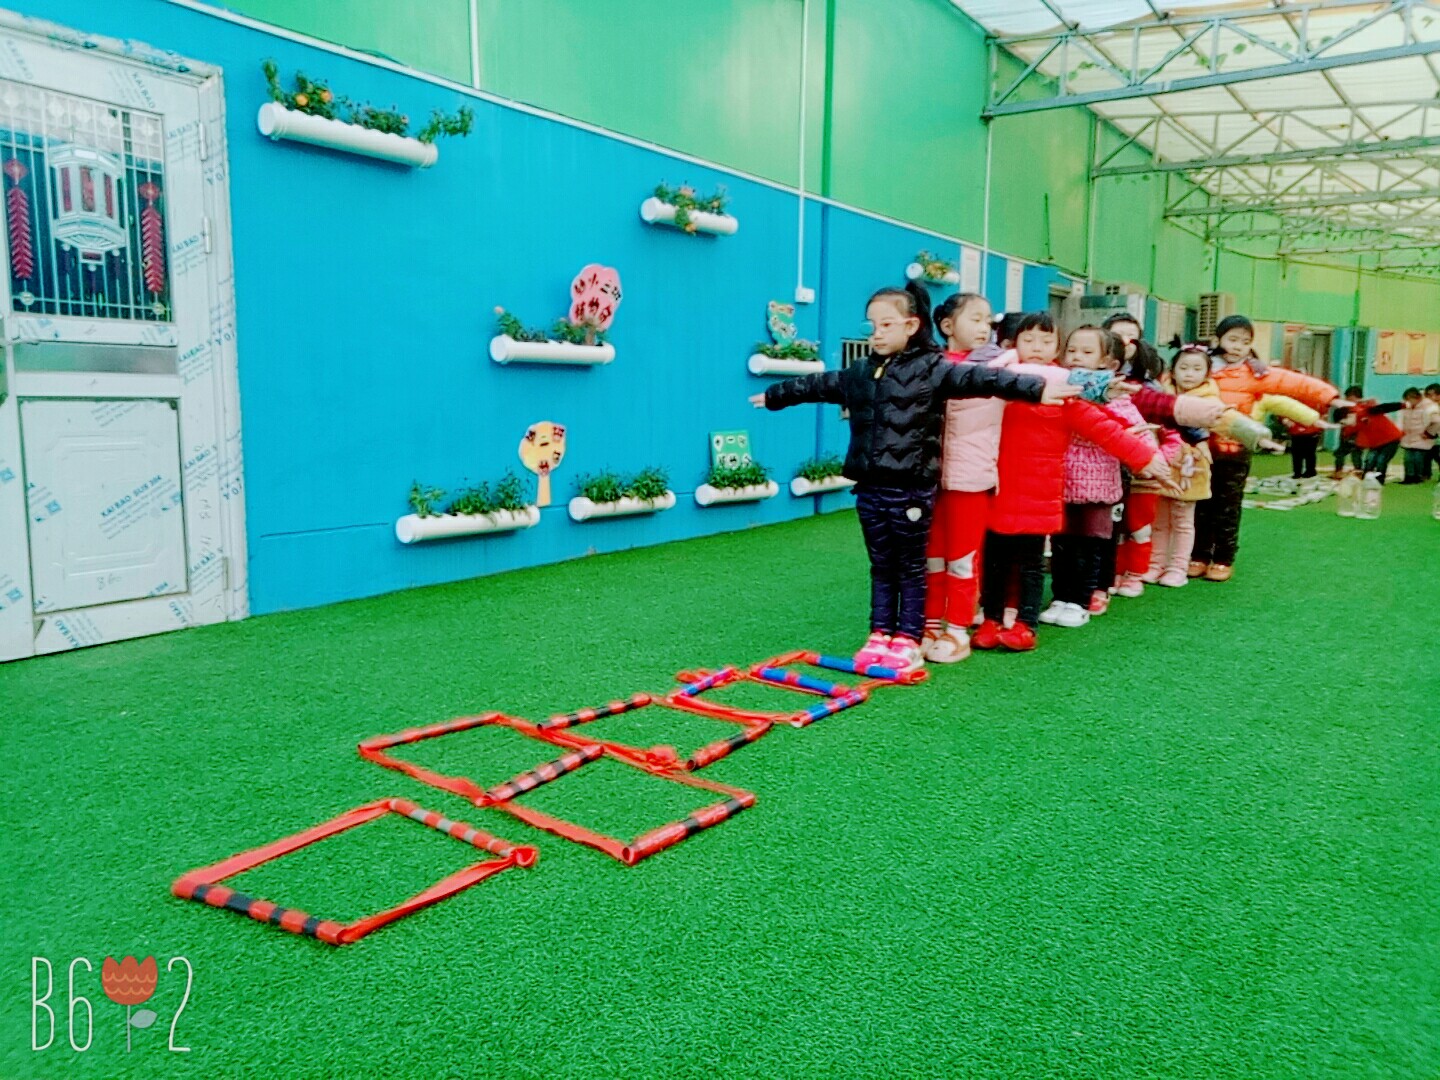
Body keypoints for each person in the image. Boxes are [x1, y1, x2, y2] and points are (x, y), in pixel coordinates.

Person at [750, 281, 1070, 673]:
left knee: (912, 567)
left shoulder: (933, 369)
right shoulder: (862, 372)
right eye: (872, 326)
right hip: (870, 488)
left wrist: (1037, 390)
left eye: (886, 325)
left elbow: (984, 380)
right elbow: (819, 384)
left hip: (912, 488)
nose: (877, 333)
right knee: (882, 566)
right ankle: (879, 633)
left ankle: (908, 637)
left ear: (911, 325)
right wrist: (776, 395)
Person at [973, 323, 1170, 649]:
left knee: (1032, 564)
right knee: (995, 559)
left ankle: (1026, 624)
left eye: (1046, 340)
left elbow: (1104, 429)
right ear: (1013, 345)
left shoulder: (1065, 395)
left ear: (1056, 350)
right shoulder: (1000, 387)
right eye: (1028, 339)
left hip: (1040, 492)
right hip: (998, 488)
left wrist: (1145, 458)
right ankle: (991, 619)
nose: (1037, 346)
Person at [1192, 315, 1339, 581]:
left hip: (1235, 449)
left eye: (1245, 342)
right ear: (1217, 339)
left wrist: (1328, 398)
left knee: (1228, 506)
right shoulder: (1202, 368)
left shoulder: (1254, 374)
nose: (1238, 346)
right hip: (1200, 447)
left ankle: (1223, 558)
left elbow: (1291, 385)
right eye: (1232, 339)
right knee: (1200, 503)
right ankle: (1199, 555)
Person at [1044, 326, 1174, 626]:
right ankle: (1060, 597)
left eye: (1086, 352)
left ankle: (1081, 599)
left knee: (1090, 545)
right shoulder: (1061, 390)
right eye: (1071, 350)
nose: (1076, 357)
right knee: (1062, 545)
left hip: (1099, 486)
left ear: (1108, 363)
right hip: (1061, 484)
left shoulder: (1117, 397)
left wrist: (1155, 459)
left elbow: (1138, 432)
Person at [1149, 345, 1280, 588]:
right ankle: (1163, 562)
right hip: (1164, 464)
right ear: (1172, 371)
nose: (1189, 374)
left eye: (1196, 369)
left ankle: (1201, 561)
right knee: (1163, 518)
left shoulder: (1211, 399)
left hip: (1197, 465)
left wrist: (1256, 436)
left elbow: (1225, 418)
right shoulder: (1161, 395)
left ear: (1207, 373)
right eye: (1184, 368)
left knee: (1199, 515)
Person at [923, 292, 1000, 662]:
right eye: (976, 318)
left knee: (963, 557)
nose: (984, 327)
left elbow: (1048, 378)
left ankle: (957, 628)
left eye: (988, 320)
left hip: (971, 477)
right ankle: (929, 622)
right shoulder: (928, 364)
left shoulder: (1000, 366)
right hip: (927, 477)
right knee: (932, 555)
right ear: (947, 325)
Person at [1349, 397, 1404, 483]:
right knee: (1370, 460)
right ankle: (1366, 479)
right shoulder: (1354, 420)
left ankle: (1378, 481)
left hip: (1391, 439)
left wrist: (1402, 405)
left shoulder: (1366, 411)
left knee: (1381, 460)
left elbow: (1385, 407)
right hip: (1376, 441)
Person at [1397, 387, 1439, 484]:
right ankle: (1408, 477)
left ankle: (1418, 477)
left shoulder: (1429, 406)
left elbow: (1437, 422)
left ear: (1417, 398)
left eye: (1410, 399)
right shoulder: (1405, 406)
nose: (1408, 402)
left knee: (1418, 458)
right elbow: (1400, 419)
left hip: (1422, 438)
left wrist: (1428, 433)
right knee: (1408, 459)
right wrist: (1400, 431)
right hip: (1408, 437)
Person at [1332, 386, 1365, 477]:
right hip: (1346, 435)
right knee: (1341, 454)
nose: (1346, 399)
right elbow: (1337, 419)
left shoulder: (1361, 407)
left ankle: (1358, 471)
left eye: (1349, 397)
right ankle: (1339, 471)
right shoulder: (1344, 408)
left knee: (1355, 454)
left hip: (1357, 436)